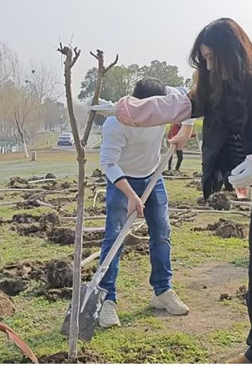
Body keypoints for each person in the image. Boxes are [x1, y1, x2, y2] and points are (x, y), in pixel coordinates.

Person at [97, 18, 252, 363]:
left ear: (234, 54)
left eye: (213, 58)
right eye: (204, 60)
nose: (209, 67)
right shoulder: (220, 91)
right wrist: (127, 110)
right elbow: (178, 105)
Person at [97, 77, 193, 329]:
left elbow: (194, 99)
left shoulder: (167, 99)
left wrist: (186, 129)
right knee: (114, 237)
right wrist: (130, 195)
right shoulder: (115, 122)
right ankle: (107, 299)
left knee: (161, 233)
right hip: (122, 181)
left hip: (153, 175)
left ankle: (162, 291)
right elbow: (107, 163)